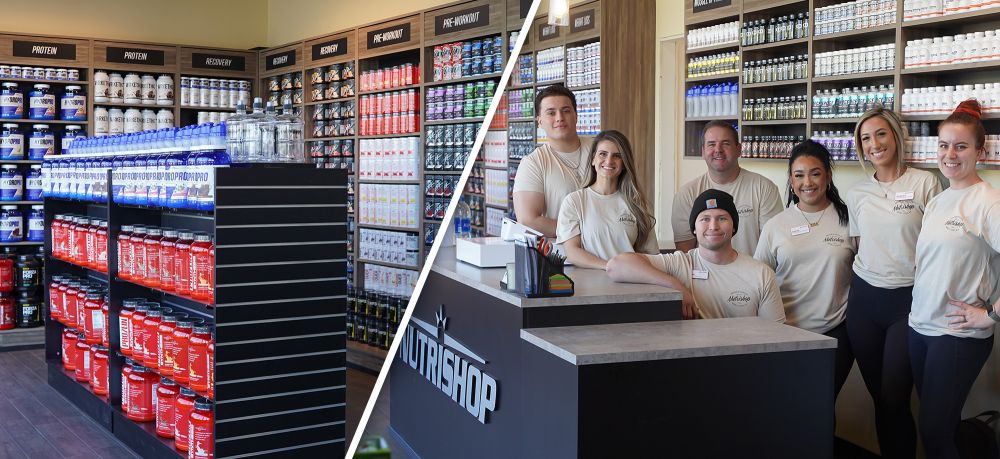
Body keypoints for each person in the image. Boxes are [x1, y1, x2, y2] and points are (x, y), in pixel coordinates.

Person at [845, 106, 941, 459]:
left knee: (894, 396)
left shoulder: (925, 183)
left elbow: (939, 243)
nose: (874, 144)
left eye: (881, 134)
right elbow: (860, 245)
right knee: (880, 399)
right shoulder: (856, 193)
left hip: (908, 300)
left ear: (896, 136)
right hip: (864, 301)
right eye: (866, 138)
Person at [909, 100, 999, 459]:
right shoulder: (939, 200)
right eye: (944, 145)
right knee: (938, 428)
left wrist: (990, 314)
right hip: (921, 328)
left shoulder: (988, 202)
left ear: (980, 151)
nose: (950, 154)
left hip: (957, 336)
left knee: (934, 432)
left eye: (961, 146)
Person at [754, 140, 856, 398]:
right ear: (791, 180)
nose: (807, 182)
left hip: (836, 332)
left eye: (815, 173)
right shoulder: (776, 226)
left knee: (822, 403)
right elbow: (759, 280)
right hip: (785, 332)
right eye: (799, 175)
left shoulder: (850, 220)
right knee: (791, 405)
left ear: (828, 177)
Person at [607, 188, 784, 322]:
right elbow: (616, 266)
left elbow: (775, 336)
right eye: (705, 219)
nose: (713, 226)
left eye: (722, 218)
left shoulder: (761, 274)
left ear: (734, 227)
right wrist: (676, 286)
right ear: (694, 228)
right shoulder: (680, 263)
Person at [671, 120, 783, 256]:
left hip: (752, 269)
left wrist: (752, 270)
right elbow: (685, 255)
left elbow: (771, 246)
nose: (718, 150)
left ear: (739, 149)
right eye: (711, 144)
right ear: (703, 152)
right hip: (703, 271)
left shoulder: (764, 188)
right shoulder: (686, 194)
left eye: (726, 143)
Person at [556, 130, 658, 269]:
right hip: (591, 281)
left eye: (617, 156)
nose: (609, 161)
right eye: (603, 154)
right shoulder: (574, 201)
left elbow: (651, 254)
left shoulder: (636, 203)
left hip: (631, 279)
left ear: (624, 163)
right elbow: (572, 252)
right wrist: (610, 267)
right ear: (593, 159)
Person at [512, 85, 594, 237]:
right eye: (551, 113)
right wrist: (588, 232)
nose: (559, 118)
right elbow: (528, 220)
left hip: (609, 246)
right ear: (539, 121)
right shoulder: (533, 163)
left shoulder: (600, 150)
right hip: (562, 249)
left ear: (576, 115)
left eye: (566, 111)